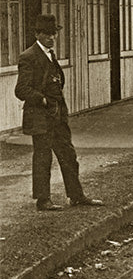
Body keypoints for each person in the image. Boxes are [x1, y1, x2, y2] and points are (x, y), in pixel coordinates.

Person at [15, 14, 103, 211]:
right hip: (40, 117)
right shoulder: (28, 56)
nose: (51, 37)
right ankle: (43, 200)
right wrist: (42, 99)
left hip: (57, 116)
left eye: (54, 33)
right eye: (47, 34)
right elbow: (21, 89)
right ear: (37, 34)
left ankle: (76, 196)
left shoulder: (50, 55)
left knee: (68, 155)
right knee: (43, 158)